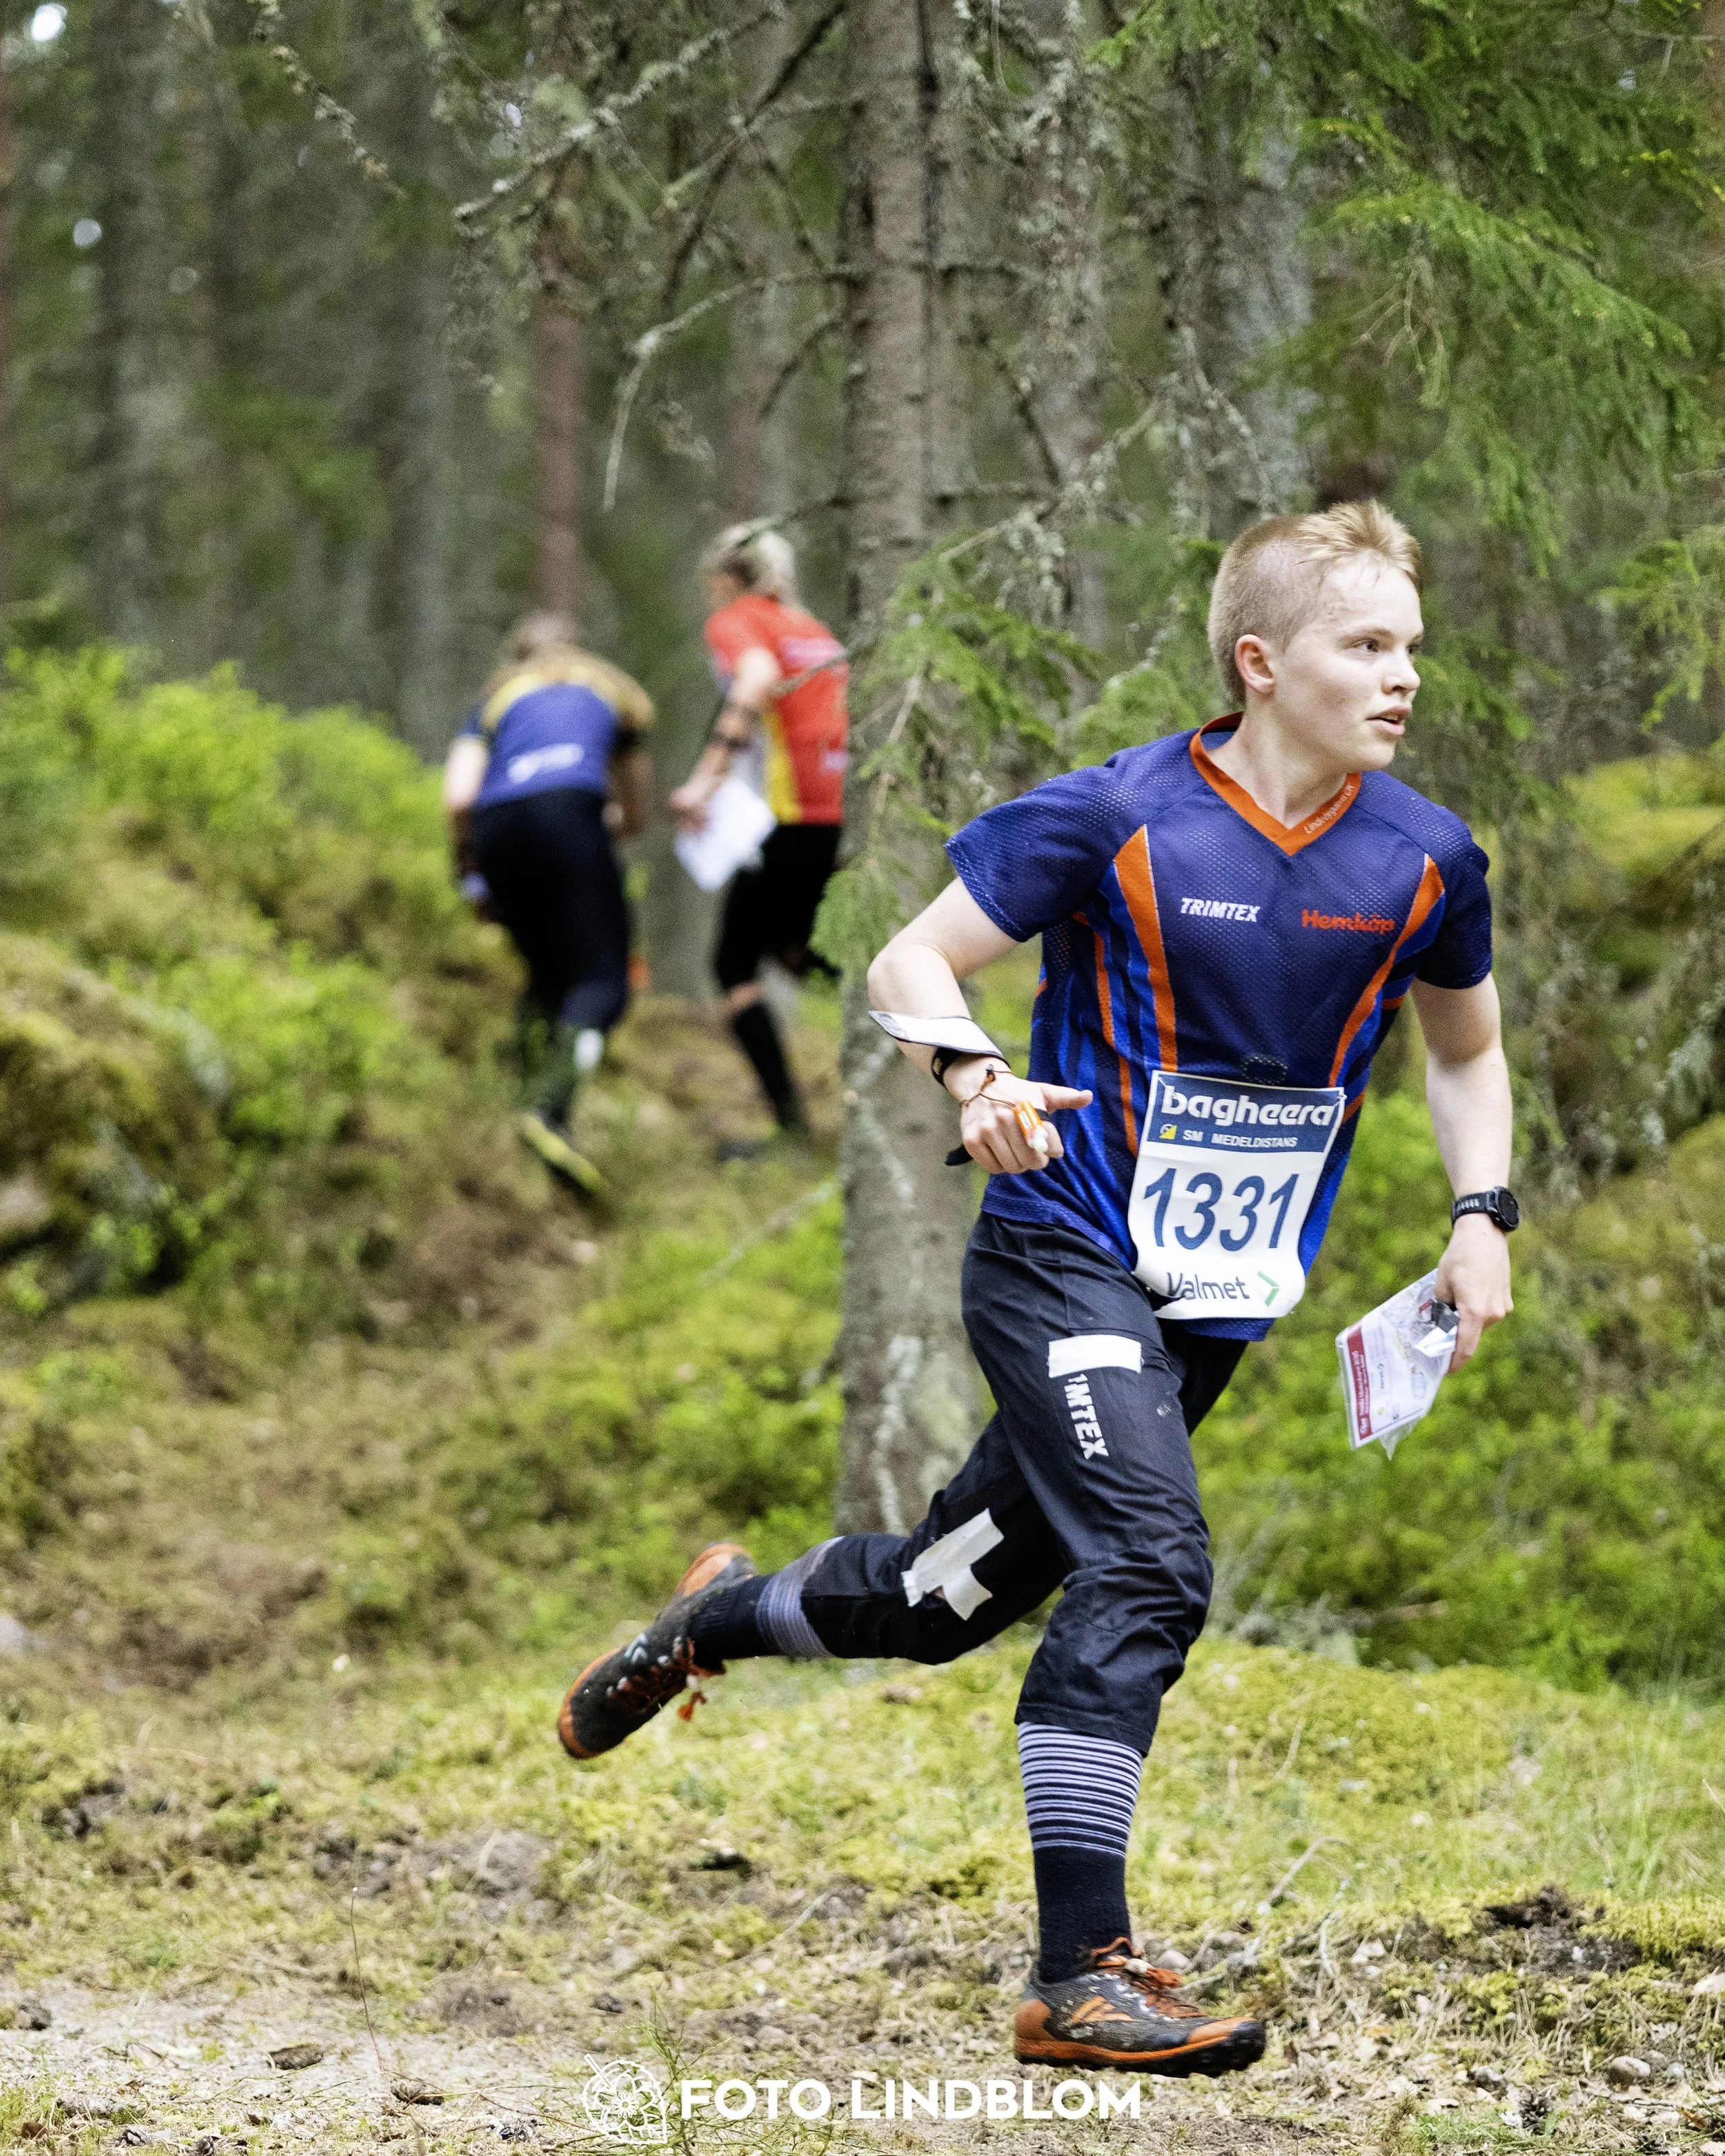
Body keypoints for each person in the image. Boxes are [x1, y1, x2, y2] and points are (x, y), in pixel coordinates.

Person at [556, 503, 1516, 2073]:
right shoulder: (1120, 813)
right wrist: (979, 1075)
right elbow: (907, 965)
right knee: (1146, 1558)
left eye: (1412, 644)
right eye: (1366, 644)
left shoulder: (1424, 855)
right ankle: (1080, 1974)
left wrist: (1483, 1213)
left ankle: (705, 1619)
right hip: (1058, 1248)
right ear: (1262, 662)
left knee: (946, 1598)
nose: (1403, 674)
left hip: (1208, 1304)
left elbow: (1466, 1053)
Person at [444, 612, 653, 1190]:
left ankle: (516, 1096)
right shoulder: (612, 687)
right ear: (578, 646)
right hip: (572, 809)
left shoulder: (495, 698)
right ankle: (548, 1112)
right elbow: (635, 813)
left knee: (547, 970)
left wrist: (470, 873)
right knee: (604, 981)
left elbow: (461, 798)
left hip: (497, 826)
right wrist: (593, 828)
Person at [669, 526, 847, 1140]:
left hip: (787, 812)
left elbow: (754, 677)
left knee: (733, 964)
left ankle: (794, 1128)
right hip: (832, 808)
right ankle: (904, 1041)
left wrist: (703, 782)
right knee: (799, 950)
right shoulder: (812, 628)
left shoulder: (741, 619)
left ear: (724, 577)